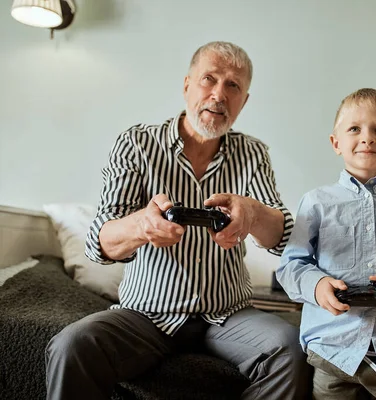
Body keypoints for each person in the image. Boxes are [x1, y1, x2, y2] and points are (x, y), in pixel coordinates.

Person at [45, 41, 309, 400]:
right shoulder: (137, 144)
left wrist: (253, 214)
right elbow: (100, 242)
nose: (218, 94)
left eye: (233, 86)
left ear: (244, 101)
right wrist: (142, 225)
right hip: (147, 314)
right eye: (209, 79)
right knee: (72, 344)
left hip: (227, 313)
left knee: (291, 350)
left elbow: (282, 237)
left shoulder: (253, 152)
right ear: (187, 85)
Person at [276, 88, 376, 400]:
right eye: (354, 129)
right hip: (331, 347)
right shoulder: (315, 202)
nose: (367, 138)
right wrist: (318, 284)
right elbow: (292, 265)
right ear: (335, 143)